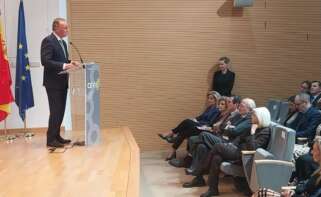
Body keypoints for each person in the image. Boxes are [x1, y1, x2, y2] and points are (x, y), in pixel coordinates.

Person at [183, 107, 271, 197]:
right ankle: (212, 189)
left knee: (217, 146)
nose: (251, 117)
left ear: (261, 117)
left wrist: (252, 132)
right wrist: (231, 145)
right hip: (237, 150)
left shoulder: (265, 131)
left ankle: (199, 171)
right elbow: (239, 138)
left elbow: (253, 148)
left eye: (254, 115)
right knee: (216, 158)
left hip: (245, 156)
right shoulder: (252, 126)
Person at [41, 18, 81, 148]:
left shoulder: (63, 43)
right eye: (65, 28)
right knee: (55, 111)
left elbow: (62, 59)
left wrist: (71, 62)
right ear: (56, 28)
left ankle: (57, 136)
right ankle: (50, 139)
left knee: (61, 110)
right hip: (53, 83)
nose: (67, 30)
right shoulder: (48, 41)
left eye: (67, 27)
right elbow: (46, 61)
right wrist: (65, 65)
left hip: (62, 82)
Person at [158, 91, 221, 160]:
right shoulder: (209, 108)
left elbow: (210, 123)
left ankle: (171, 135)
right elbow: (200, 117)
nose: (209, 100)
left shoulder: (217, 110)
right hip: (199, 126)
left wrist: (197, 122)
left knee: (186, 123)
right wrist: (194, 119)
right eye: (208, 98)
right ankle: (173, 147)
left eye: (211, 99)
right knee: (185, 127)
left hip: (205, 128)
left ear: (216, 100)